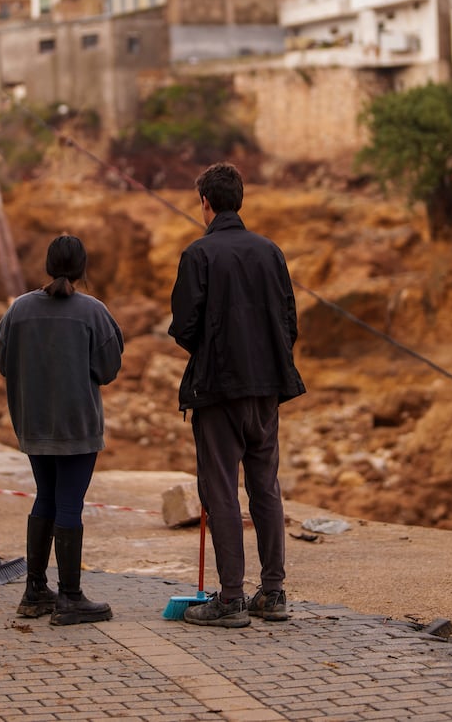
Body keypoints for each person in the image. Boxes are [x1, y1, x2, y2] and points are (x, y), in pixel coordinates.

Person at [169, 162, 305, 629]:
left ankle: (230, 599)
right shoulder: (271, 252)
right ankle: (273, 593)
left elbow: (184, 327)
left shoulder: (198, 254)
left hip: (218, 391)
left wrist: (215, 351)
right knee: (265, 486)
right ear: (239, 200)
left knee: (221, 488)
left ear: (205, 203)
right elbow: (289, 323)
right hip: (266, 390)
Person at [0, 234, 123, 625]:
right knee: (69, 504)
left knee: (45, 497)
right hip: (77, 426)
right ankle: (69, 597)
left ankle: (34, 591)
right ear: (83, 270)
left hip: (34, 424)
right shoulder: (93, 312)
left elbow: (1, 358)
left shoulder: (19, 310)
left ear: (47, 266)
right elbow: (109, 369)